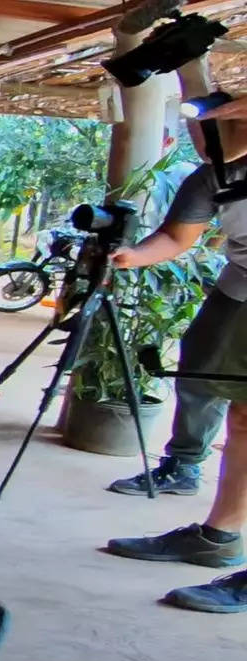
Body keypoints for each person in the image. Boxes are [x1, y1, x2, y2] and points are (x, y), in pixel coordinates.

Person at [103, 155, 247, 609]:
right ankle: (218, 538)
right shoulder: (218, 173)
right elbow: (176, 236)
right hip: (241, 288)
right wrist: (132, 256)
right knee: (243, 417)